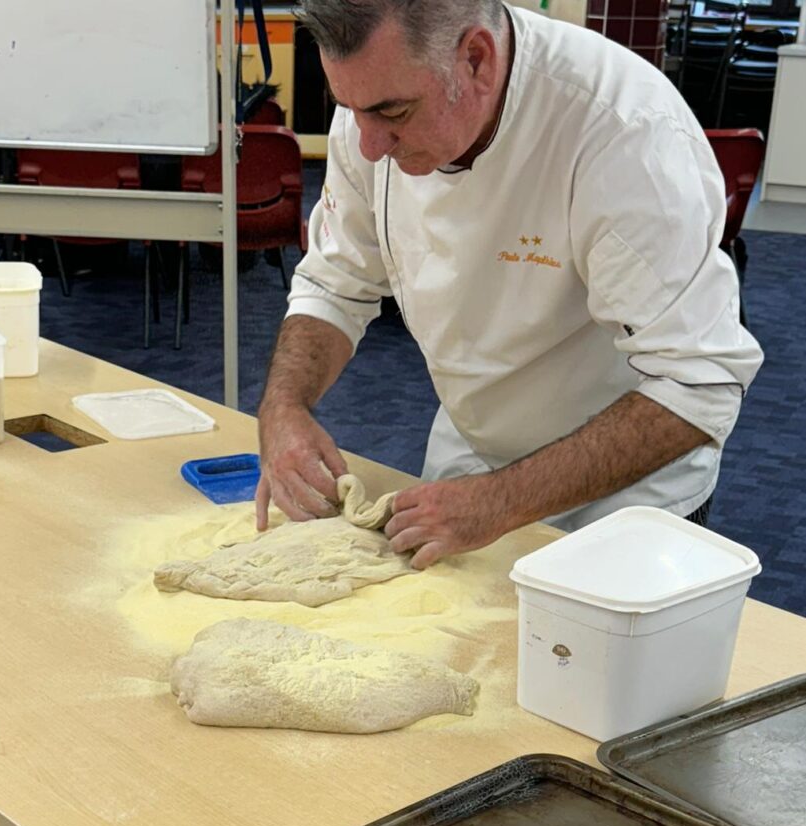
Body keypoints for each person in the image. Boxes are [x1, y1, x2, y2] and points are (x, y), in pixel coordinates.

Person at [255, 0, 763, 569]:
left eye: (393, 113)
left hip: (626, 498)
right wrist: (283, 407)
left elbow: (699, 383)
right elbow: (335, 282)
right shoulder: (374, 101)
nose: (369, 145)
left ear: (477, 59)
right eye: (347, 109)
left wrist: (502, 501)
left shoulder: (622, 134)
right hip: (471, 461)